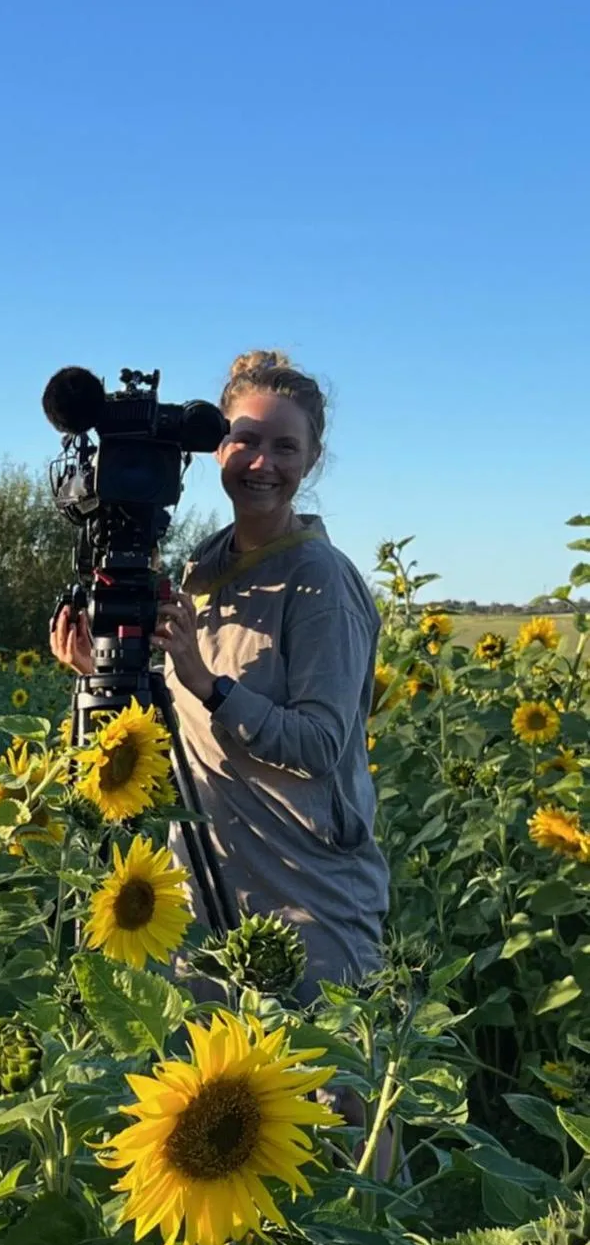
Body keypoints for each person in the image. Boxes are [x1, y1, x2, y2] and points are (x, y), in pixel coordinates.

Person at [49, 349, 391, 1007]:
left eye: (285, 447)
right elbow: (183, 715)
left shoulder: (322, 580)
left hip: (307, 899)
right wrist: (103, 673)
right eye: (247, 441)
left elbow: (320, 744)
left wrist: (209, 684)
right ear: (216, 450)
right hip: (204, 880)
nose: (264, 463)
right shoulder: (206, 566)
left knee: (330, 1102)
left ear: (311, 459)